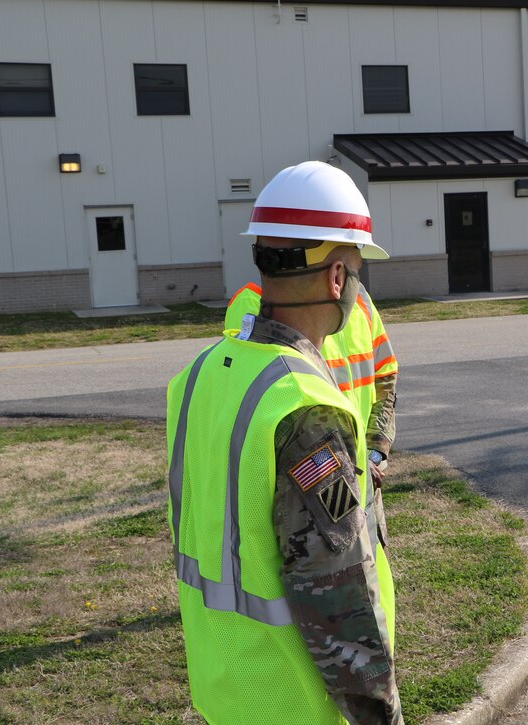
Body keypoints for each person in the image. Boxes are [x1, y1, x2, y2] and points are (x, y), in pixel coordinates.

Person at [166, 160, 402, 725]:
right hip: (293, 698)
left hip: (225, 683)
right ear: (337, 277)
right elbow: (335, 590)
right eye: (358, 270)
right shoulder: (304, 408)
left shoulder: (199, 376)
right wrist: (380, 714)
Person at [225, 276, 398, 489]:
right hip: (309, 480)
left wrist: (374, 451)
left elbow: (385, 375)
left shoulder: (360, 298)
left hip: (367, 475)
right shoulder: (254, 301)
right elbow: (267, 406)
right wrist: (347, 462)